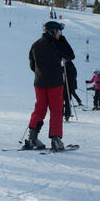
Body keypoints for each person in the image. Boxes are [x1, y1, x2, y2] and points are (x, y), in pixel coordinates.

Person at [26, 21, 75, 151]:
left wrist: (41, 74)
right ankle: (56, 139)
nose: (60, 34)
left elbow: (32, 66)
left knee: (39, 109)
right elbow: (70, 55)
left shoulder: (35, 45)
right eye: (59, 32)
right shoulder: (56, 44)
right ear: (52, 31)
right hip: (55, 83)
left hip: (39, 83)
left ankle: (32, 138)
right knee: (56, 110)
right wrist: (62, 40)